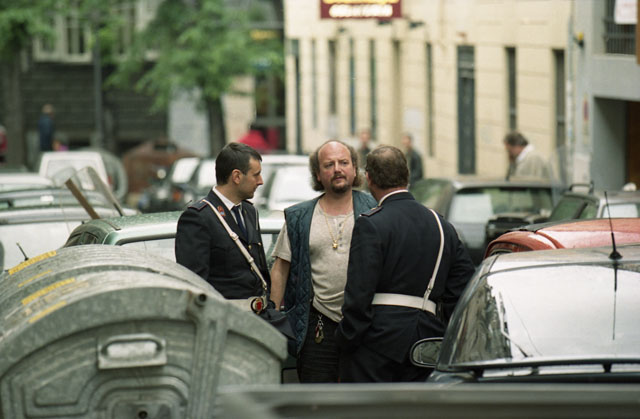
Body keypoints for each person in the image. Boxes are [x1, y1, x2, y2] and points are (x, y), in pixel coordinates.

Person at [336, 145, 475, 383]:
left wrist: (346, 339)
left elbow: (359, 294)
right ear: (407, 176)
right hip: (426, 341)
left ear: (369, 178)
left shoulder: (371, 224)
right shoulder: (441, 225)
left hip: (376, 342)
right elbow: (462, 291)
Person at [269, 140, 377, 383]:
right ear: (318, 174)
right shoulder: (299, 217)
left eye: (343, 163)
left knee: (363, 399)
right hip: (316, 327)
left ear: (354, 168)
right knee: (317, 399)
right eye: (329, 165)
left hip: (366, 324)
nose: (337, 169)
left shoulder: (374, 209)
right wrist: (273, 317)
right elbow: (280, 269)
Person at [175, 142, 270, 305]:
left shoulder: (249, 212)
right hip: (227, 315)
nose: (260, 181)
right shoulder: (199, 217)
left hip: (261, 314)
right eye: (256, 175)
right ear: (237, 177)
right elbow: (195, 285)